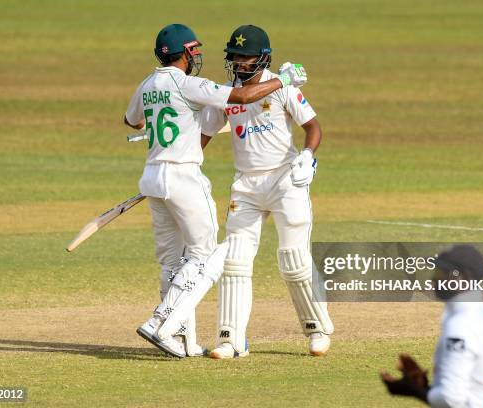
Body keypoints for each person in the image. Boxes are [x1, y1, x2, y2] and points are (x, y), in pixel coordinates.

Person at [124, 23, 307, 357]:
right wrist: (284, 79)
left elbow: (133, 120)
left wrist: (162, 125)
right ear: (185, 54)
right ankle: (161, 320)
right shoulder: (190, 84)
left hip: (152, 176)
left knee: (171, 263)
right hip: (182, 176)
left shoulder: (147, 84)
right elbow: (241, 96)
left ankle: (181, 339)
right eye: (194, 51)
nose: (197, 56)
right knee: (204, 255)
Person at [200, 25, 334, 359]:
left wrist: (307, 156)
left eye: (245, 57)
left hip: (285, 180)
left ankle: (317, 329)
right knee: (234, 260)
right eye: (234, 56)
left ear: (263, 59)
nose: (238, 63)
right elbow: (202, 137)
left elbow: (313, 127)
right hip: (245, 184)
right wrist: (176, 157)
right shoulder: (227, 94)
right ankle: (231, 339)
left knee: (293, 259)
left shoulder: (283, 87)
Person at [380, 245, 483, 407]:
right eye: (436, 273)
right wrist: (425, 388)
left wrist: (414, 390)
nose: (434, 279)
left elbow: (451, 398)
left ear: (464, 277)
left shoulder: (461, 325)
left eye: (442, 273)